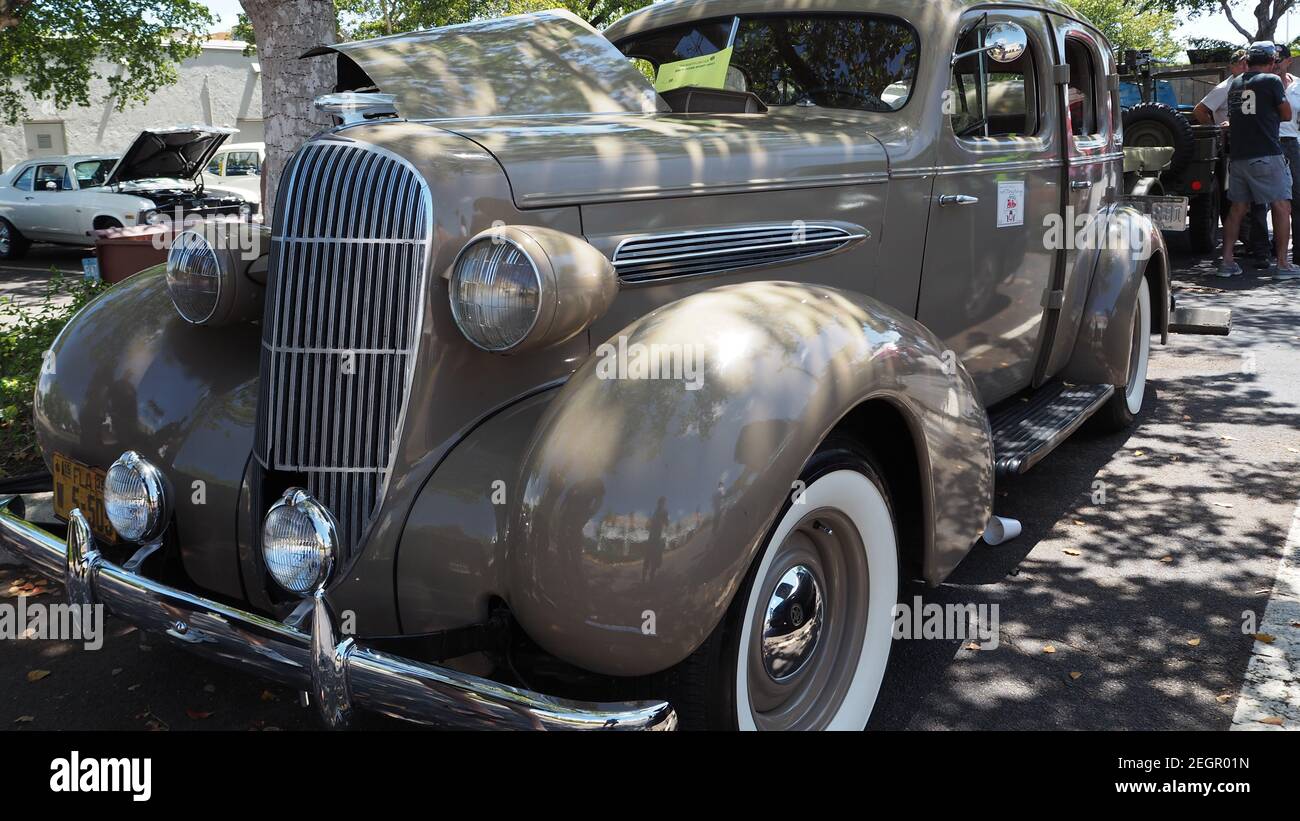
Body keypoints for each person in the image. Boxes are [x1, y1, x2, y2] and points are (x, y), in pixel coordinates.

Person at [1219, 42, 1299, 278]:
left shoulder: (1235, 83)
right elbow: (1286, 114)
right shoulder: (1271, 81)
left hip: (1240, 157)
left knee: (1237, 209)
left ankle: (1226, 262)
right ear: (1272, 62)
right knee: (1282, 205)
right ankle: (1283, 264)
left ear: (1248, 61)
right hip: (1266, 154)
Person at [1196, 50, 1272, 265]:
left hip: (1248, 146)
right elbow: (1200, 110)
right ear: (1233, 66)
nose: (1246, 66)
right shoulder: (1227, 87)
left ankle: (1255, 245)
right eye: (1242, 63)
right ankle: (1250, 244)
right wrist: (1215, 133)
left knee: (1253, 201)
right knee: (1240, 202)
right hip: (1231, 148)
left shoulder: (1249, 85)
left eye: (1248, 63)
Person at [1276, 45, 1300, 275]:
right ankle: (1267, 252)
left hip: (1293, 142)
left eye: (1279, 60)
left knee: (1297, 198)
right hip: (1269, 142)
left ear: (1288, 61)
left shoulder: (1298, 85)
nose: (1276, 64)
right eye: (1272, 60)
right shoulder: (1264, 84)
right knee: (1271, 200)